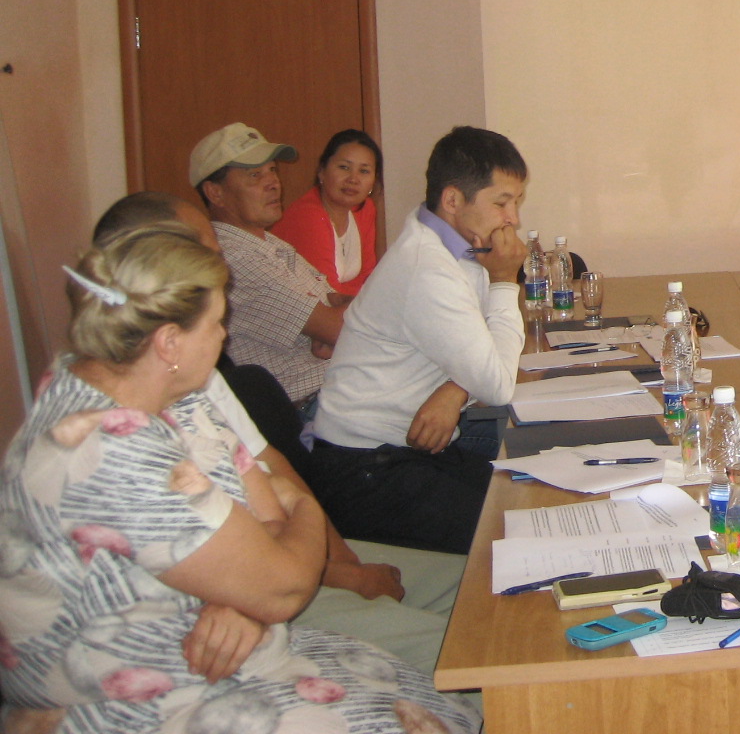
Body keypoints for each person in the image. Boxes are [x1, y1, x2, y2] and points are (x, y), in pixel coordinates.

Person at [0, 227, 475, 733]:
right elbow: (285, 581)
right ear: (169, 342)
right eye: (216, 323)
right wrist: (297, 519)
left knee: (470, 667)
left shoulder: (171, 392)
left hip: (236, 652)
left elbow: (269, 524)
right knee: (460, 689)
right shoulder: (107, 447)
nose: (224, 337)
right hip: (149, 702)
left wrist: (250, 593)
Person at [90, 191, 466, 678]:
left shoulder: (192, 381)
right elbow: (273, 573)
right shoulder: (121, 433)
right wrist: (316, 547)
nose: (224, 274)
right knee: (468, 646)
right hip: (252, 596)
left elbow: (271, 471)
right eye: (206, 255)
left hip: (279, 565)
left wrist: (344, 565)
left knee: (480, 581)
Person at [310, 127, 528, 555]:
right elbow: (499, 385)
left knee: (524, 498)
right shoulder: (427, 268)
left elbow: (481, 349)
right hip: (363, 467)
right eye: (502, 203)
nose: (513, 219)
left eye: (516, 203)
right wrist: (505, 281)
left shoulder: (452, 243)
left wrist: (455, 387)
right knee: (512, 535)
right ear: (452, 200)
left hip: (406, 446)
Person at [191, 122, 349, 411]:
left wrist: (336, 318)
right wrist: (332, 322)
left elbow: (341, 308)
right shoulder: (233, 257)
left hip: (341, 384)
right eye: (255, 175)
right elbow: (340, 328)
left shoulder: (269, 244)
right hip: (314, 404)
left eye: (272, 170)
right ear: (215, 193)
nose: (274, 183)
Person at [273, 130, 384, 297]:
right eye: (344, 167)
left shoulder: (365, 209)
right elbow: (327, 294)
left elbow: (368, 277)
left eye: (364, 171)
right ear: (322, 171)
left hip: (344, 307)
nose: (353, 179)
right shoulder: (308, 216)